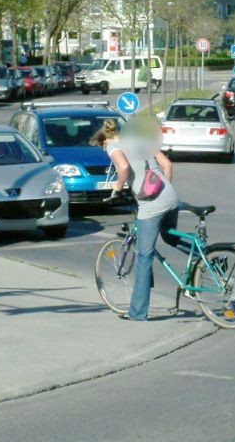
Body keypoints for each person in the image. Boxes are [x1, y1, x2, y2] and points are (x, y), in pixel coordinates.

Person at [96, 118, 181, 321]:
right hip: (170, 195)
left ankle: (137, 312)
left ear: (104, 140)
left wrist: (116, 190)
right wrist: (162, 190)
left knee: (144, 258)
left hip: (151, 206)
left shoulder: (113, 146)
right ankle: (207, 259)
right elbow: (167, 164)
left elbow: (123, 168)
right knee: (170, 237)